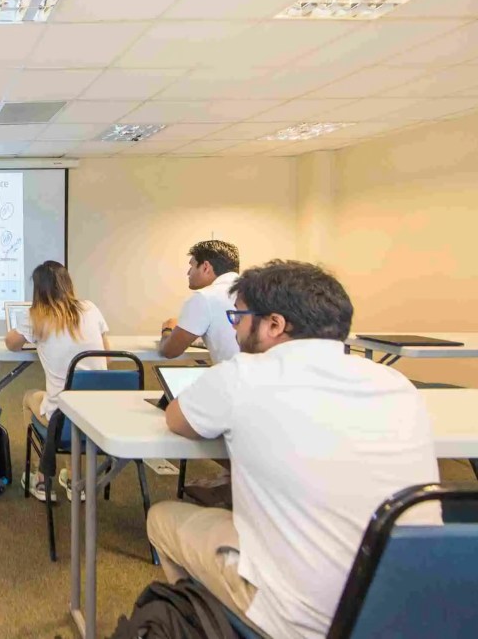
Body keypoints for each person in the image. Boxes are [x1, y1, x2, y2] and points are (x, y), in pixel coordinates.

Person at [147, 260, 439, 639]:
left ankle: (213, 624)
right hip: (412, 607)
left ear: (274, 324)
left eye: (239, 316)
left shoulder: (242, 375)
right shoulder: (397, 383)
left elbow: (176, 420)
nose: (234, 326)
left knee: (162, 517)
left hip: (302, 617)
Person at [5, 260, 109, 502]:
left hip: (62, 419)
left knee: (31, 398)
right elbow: (107, 354)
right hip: (101, 413)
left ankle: (42, 480)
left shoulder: (36, 318)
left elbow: (11, 344)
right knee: (71, 402)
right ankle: (75, 479)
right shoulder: (91, 309)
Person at [159, 240, 241, 364]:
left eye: (191, 265)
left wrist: (167, 329)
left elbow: (170, 351)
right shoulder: (260, 289)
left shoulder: (204, 297)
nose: (188, 272)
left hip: (237, 379)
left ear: (206, 267)